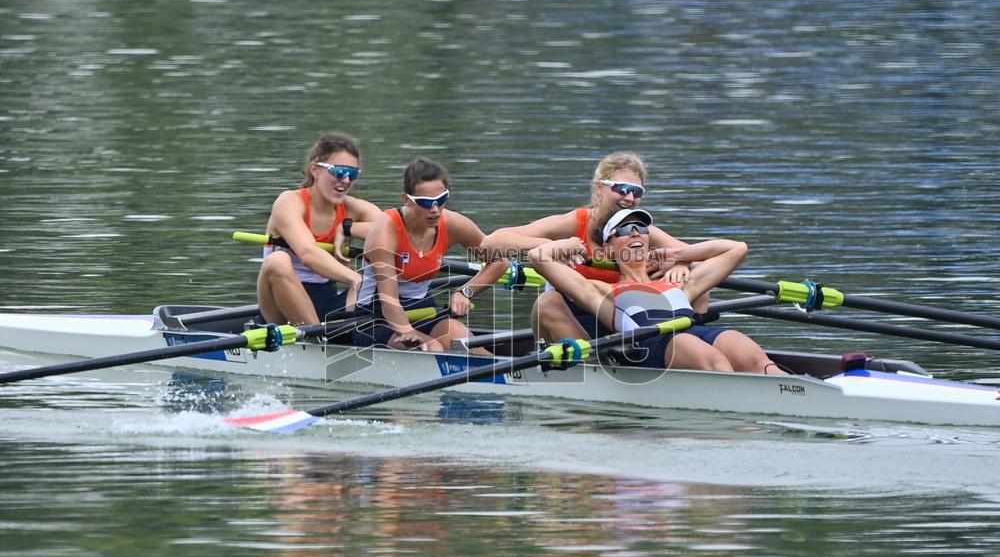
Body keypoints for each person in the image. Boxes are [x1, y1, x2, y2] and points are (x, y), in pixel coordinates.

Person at [482, 151, 781, 374]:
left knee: (709, 304)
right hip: (593, 311)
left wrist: (679, 262)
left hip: (650, 316)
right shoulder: (572, 223)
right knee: (547, 303)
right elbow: (492, 244)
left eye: (637, 192)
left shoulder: (643, 231)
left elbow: (713, 253)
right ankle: (597, 372)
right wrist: (556, 247)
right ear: (599, 188)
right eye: (621, 189)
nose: (630, 199)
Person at [528, 208, 764, 372]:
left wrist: (677, 255)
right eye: (623, 230)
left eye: (641, 228)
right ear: (608, 249)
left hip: (695, 332)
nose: (634, 233)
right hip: (654, 344)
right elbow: (538, 257)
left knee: (749, 354)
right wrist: (569, 244)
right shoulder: (603, 291)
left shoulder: (677, 281)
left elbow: (737, 249)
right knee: (713, 359)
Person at [353, 158, 508, 352]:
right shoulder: (386, 230)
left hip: (424, 310)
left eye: (441, 200)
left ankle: (503, 378)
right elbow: (388, 301)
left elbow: (500, 261)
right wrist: (409, 333)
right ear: (406, 200)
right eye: (426, 203)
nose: (435, 210)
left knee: (464, 341)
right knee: (432, 348)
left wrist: (465, 292)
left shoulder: (453, 224)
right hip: (375, 318)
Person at [256, 131, 382, 325]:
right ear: (315, 170)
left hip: (326, 302)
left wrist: (347, 228)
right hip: (278, 307)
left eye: (353, 174)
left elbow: (396, 232)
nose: (346, 181)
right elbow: (308, 253)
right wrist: (355, 279)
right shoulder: (289, 202)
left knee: (384, 273)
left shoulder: (353, 209)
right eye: (339, 172)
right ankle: (316, 339)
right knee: (277, 261)